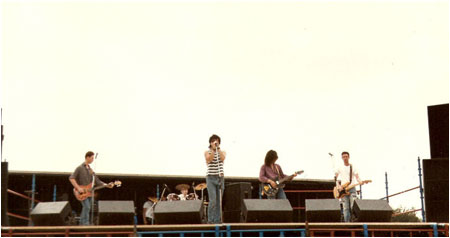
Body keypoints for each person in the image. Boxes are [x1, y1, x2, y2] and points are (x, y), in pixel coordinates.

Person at [69, 151, 113, 225]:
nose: (93, 160)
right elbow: (71, 178)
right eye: (92, 158)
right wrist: (78, 188)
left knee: (87, 208)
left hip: (89, 192)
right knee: (87, 207)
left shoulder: (90, 170)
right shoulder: (79, 168)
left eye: (93, 158)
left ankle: (82, 223)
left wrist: (106, 185)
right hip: (81, 191)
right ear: (87, 157)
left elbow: (97, 181)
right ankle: (85, 223)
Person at [334, 151, 362, 222]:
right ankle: (347, 224)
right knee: (345, 208)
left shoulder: (353, 167)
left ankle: (354, 222)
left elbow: (357, 176)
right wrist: (338, 186)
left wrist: (360, 181)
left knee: (353, 206)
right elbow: (335, 177)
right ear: (342, 158)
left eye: (346, 156)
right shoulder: (340, 167)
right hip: (343, 189)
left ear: (349, 157)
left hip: (352, 188)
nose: (345, 158)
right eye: (343, 157)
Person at [204, 134, 226, 224]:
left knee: (219, 200)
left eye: (216, 141)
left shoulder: (222, 151)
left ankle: (217, 219)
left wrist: (218, 149)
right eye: (213, 141)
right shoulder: (207, 152)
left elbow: (222, 158)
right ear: (210, 143)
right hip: (211, 178)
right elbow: (209, 159)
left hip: (220, 177)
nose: (215, 142)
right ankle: (210, 220)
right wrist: (213, 150)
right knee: (213, 200)